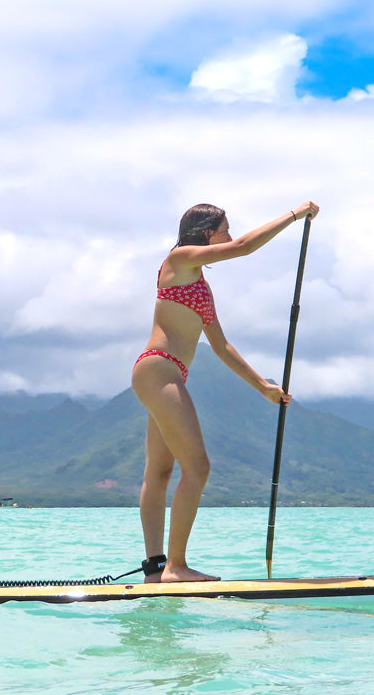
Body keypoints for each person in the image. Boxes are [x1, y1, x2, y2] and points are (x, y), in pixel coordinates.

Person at [131, 200, 320, 583]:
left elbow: (222, 347)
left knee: (161, 471)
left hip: (164, 374)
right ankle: (176, 568)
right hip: (159, 369)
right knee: (197, 467)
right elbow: (243, 248)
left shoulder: (200, 286)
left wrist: (263, 387)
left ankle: (155, 568)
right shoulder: (179, 260)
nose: (230, 236)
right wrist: (295, 215)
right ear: (205, 233)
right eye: (224, 229)